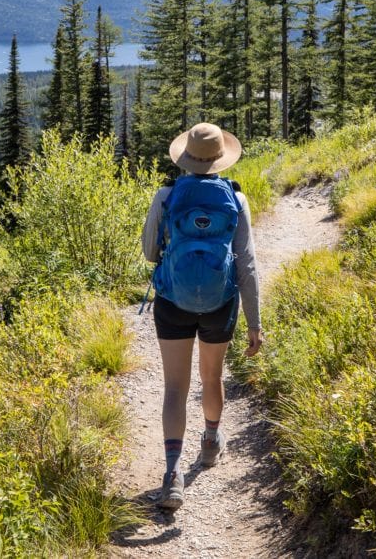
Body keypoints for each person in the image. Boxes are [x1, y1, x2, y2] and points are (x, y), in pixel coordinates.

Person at [141, 122, 263, 511]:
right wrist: (255, 322)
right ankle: (210, 442)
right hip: (220, 303)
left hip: (173, 301)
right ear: (220, 160)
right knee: (211, 377)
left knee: (174, 388)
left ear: (186, 157)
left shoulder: (166, 195)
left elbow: (148, 252)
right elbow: (247, 265)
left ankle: (172, 474)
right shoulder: (236, 200)